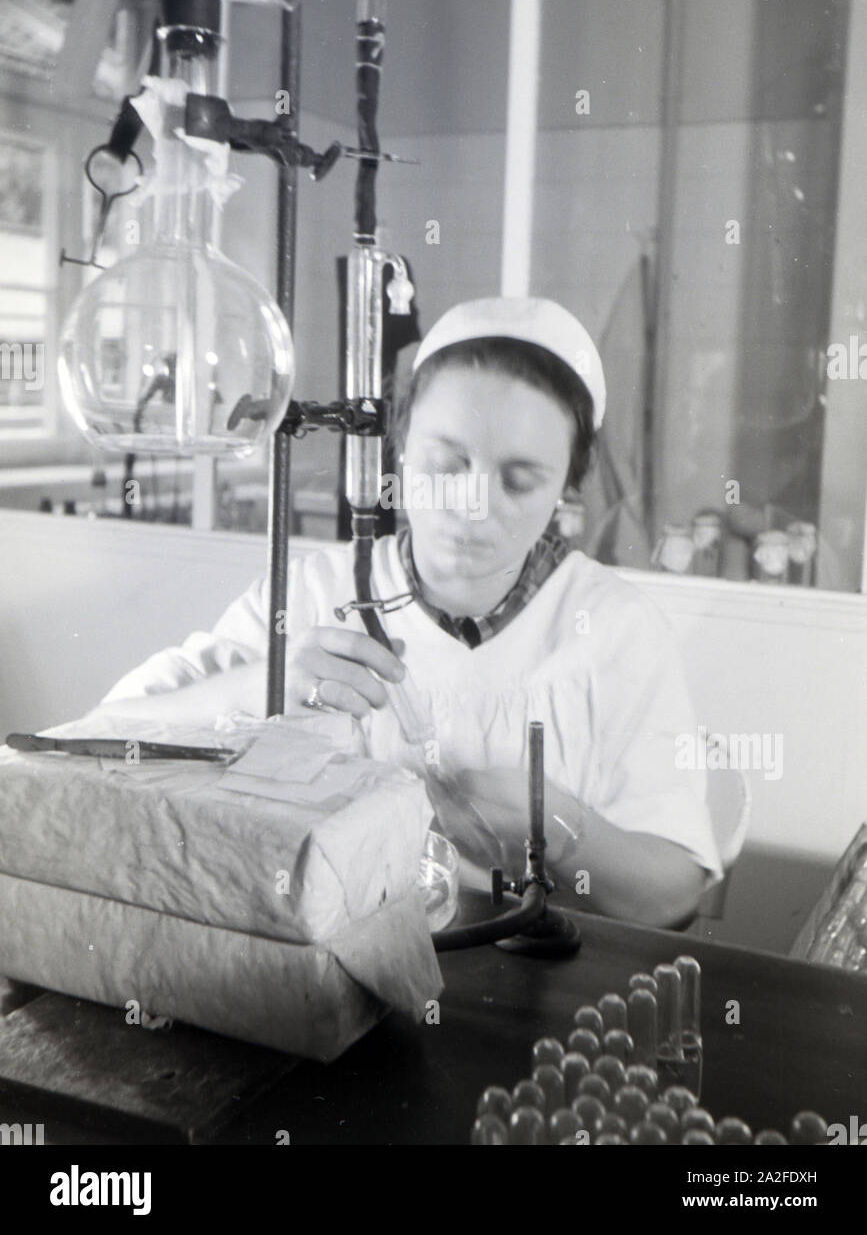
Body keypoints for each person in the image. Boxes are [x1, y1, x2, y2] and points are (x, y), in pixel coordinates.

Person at [102, 297, 722, 927]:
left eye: (518, 479)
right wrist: (260, 686)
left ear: (568, 482)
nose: (473, 505)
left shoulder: (615, 629)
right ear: (400, 445)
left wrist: (554, 824)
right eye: (447, 463)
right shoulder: (313, 596)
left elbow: (672, 896)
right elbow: (97, 734)